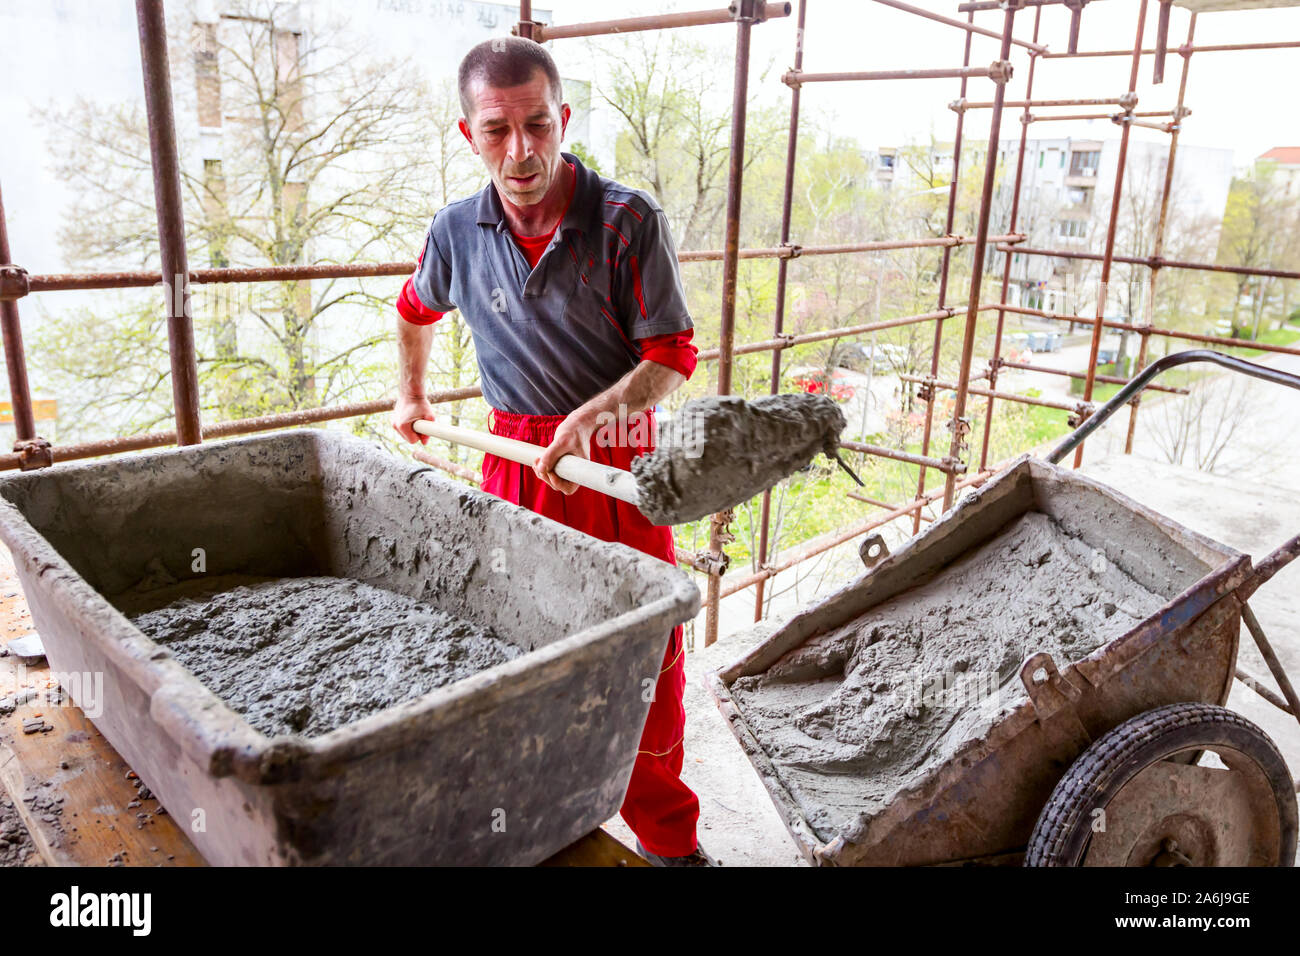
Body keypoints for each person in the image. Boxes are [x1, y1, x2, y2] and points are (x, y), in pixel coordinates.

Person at [391, 37, 714, 866]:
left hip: (616, 462)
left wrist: (599, 415)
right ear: (469, 135)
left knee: (644, 668)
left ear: (563, 118)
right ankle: (539, 826)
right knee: (516, 652)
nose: (522, 150)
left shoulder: (625, 221)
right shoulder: (456, 231)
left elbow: (673, 352)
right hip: (511, 464)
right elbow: (412, 308)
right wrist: (413, 395)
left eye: (538, 124)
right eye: (497, 131)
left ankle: (671, 844)